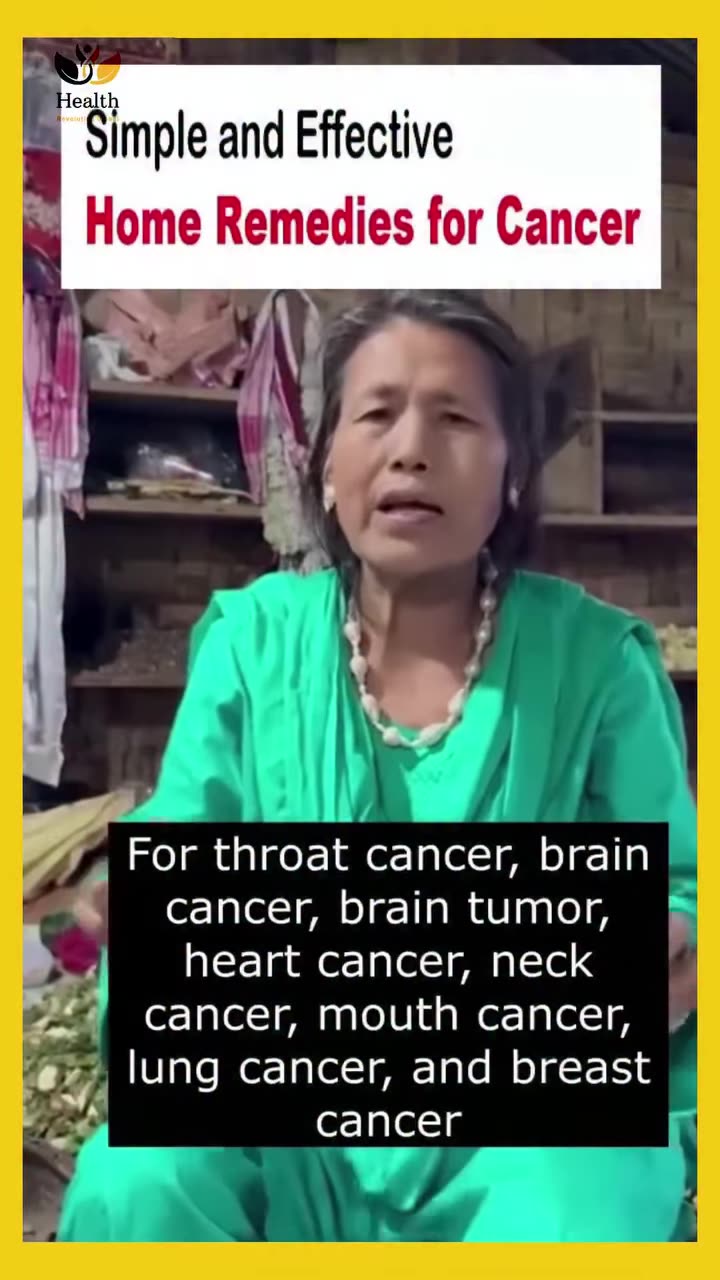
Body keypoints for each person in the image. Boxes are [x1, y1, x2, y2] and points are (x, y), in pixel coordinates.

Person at [59, 290, 697, 1243]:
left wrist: (669, 943)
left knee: (578, 1204)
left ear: (514, 473)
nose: (410, 450)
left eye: (455, 418)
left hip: (525, 1114)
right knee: (138, 1183)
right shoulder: (252, 646)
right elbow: (184, 849)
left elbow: (679, 890)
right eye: (377, 413)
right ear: (326, 469)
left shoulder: (599, 664)